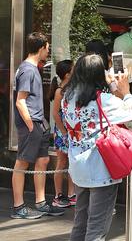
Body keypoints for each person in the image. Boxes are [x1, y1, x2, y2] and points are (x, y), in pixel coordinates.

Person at [62, 54, 132, 240]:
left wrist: (111, 86)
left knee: (80, 224)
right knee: (97, 229)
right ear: (100, 74)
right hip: (101, 171)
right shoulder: (103, 101)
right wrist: (125, 91)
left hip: (78, 168)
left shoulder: (67, 98)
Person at [12, 32, 65, 219]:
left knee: (42, 161)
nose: (48, 52)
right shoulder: (27, 70)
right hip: (31, 123)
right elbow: (20, 101)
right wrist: (31, 125)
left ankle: (41, 202)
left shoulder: (32, 68)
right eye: (47, 48)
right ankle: (19, 207)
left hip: (38, 123)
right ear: (41, 48)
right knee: (22, 163)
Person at [49, 59, 76, 208]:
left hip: (71, 131)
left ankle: (72, 194)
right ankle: (58, 195)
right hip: (62, 131)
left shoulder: (72, 89)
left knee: (72, 162)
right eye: (73, 70)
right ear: (67, 74)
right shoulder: (60, 91)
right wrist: (64, 132)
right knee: (61, 162)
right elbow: (55, 114)